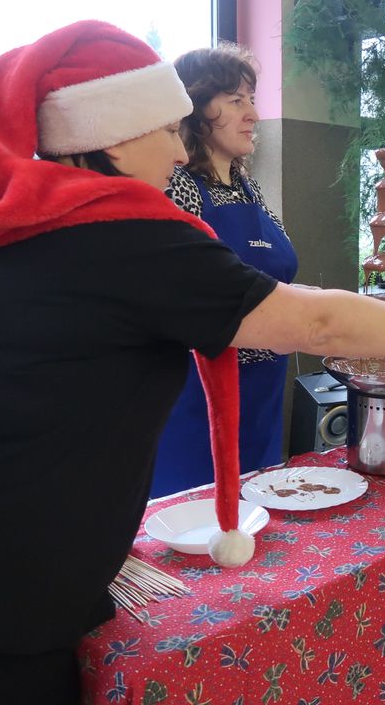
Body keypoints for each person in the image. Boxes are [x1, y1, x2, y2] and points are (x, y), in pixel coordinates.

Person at [0, 21, 385, 705]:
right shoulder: (125, 236)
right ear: (112, 138)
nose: (179, 149)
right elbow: (310, 321)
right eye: (169, 130)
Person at [151, 44, 297, 497]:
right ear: (195, 109)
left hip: (263, 395)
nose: (253, 114)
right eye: (236, 101)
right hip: (199, 399)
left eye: (251, 99)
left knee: (258, 513)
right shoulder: (177, 189)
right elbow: (173, 301)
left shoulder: (249, 189)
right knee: (195, 517)